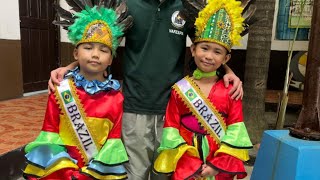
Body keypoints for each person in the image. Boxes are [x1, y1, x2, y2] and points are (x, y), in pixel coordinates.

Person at [48, 0, 243, 179]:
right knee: (135, 173)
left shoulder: (186, 6)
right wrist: (70, 67)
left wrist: (228, 70)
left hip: (174, 112)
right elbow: (101, 43)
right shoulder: (128, 5)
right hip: (134, 107)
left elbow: (208, 45)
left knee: (166, 172)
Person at [23, 2, 133, 179]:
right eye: (88, 48)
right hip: (62, 169)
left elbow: (113, 140)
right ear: (75, 53)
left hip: (96, 172)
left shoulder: (116, 97)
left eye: (104, 50)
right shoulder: (60, 89)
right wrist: (66, 171)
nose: (95, 54)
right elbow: (49, 132)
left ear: (111, 59)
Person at [153, 0, 253, 179]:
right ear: (193, 49)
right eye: (204, 48)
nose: (208, 56)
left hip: (218, 163)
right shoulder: (179, 89)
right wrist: (190, 165)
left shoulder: (231, 91)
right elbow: (171, 129)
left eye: (217, 52)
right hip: (187, 160)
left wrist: (216, 166)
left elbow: (235, 131)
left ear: (226, 58)